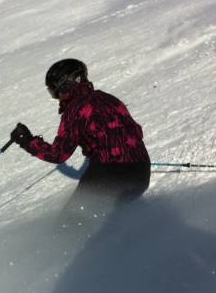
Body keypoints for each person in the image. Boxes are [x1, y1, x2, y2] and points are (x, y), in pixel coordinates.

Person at [11, 59, 151, 218]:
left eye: (55, 92)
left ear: (65, 85)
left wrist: (27, 141)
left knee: (71, 222)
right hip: (141, 172)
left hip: (109, 174)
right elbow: (135, 132)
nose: (57, 98)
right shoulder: (109, 98)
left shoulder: (75, 109)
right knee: (111, 221)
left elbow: (58, 154)